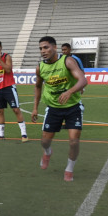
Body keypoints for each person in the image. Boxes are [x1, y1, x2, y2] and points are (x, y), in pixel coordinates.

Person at [31, 36, 88, 182]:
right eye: (40, 48)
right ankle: (47, 153)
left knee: (74, 142)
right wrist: (35, 108)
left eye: (46, 47)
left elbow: (83, 80)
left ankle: (69, 169)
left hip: (73, 107)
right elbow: (38, 87)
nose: (43, 51)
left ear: (54, 47)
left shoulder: (67, 61)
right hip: (53, 108)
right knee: (44, 142)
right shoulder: (40, 67)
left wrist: (69, 92)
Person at [0, 40, 28, 142]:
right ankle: (1, 134)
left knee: (16, 110)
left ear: (1, 48)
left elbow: (8, 69)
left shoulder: (6, 57)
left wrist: (0, 60)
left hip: (9, 88)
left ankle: (24, 134)